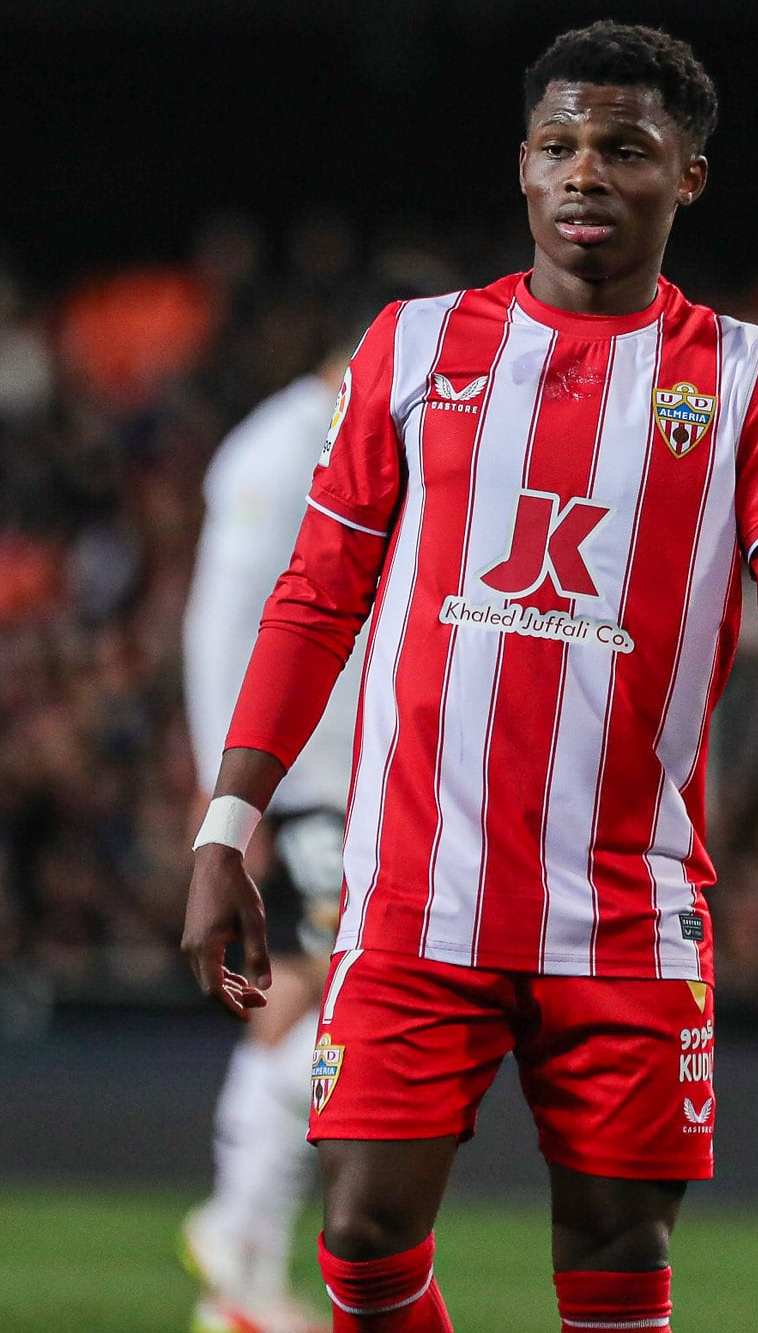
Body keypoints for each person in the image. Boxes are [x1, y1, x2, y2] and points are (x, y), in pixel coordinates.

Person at [180, 21, 758, 1333]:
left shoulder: (749, 379)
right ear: (523, 169)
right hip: (416, 890)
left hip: (624, 904)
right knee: (363, 1239)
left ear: (686, 178)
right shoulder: (413, 349)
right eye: (558, 145)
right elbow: (315, 600)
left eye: (624, 148)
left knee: (615, 1261)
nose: (584, 171)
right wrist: (224, 829)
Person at [181, 287, 411, 1333]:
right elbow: (222, 621)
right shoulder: (277, 454)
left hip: (347, 777)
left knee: (308, 997)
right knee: (336, 1008)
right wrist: (228, 798)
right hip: (311, 785)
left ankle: (240, 1239)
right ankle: (243, 1247)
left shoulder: (333, 441)